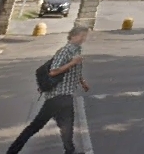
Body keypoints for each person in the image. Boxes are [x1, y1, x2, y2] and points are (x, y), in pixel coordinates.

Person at [6, 25, 90, 154]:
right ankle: (12, 151)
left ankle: (70, 151)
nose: (84, 38)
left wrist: (82, 82)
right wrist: (72, 63)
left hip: (65, 95)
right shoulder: (64, 51)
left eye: (85, 36)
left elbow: (74, 71)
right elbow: (53, 71)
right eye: (82, 35)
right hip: (57, 95)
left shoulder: (77, 50)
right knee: (37, 126)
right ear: (73, 36)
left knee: (66, 126)